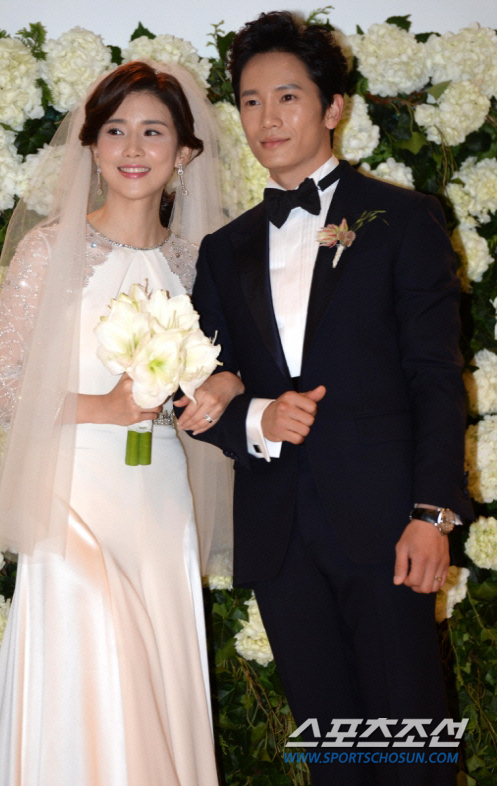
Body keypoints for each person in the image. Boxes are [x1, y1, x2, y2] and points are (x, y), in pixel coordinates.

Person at [183, 12, 474, 786]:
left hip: (388, 526)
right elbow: (198, 389)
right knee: (337, 756)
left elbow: (435, 376)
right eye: (251, 102)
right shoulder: (223, 250)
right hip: (279, 538)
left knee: (410, 747)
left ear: (333, 107)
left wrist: (431, 515)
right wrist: (256, 417)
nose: (267, 119)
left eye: (287, 97)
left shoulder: (403, 219)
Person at [0, 61, 242, 786]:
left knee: (153, 670)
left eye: (154, 131)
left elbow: (234, 367)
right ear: (90, 146)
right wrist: (106, 408)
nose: (133, 148)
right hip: (72, 497)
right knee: (93, 654)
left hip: (158, 502)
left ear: (185, 152)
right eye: (115, 130)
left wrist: (224, 382)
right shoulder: (51, 249)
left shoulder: (197, 262)